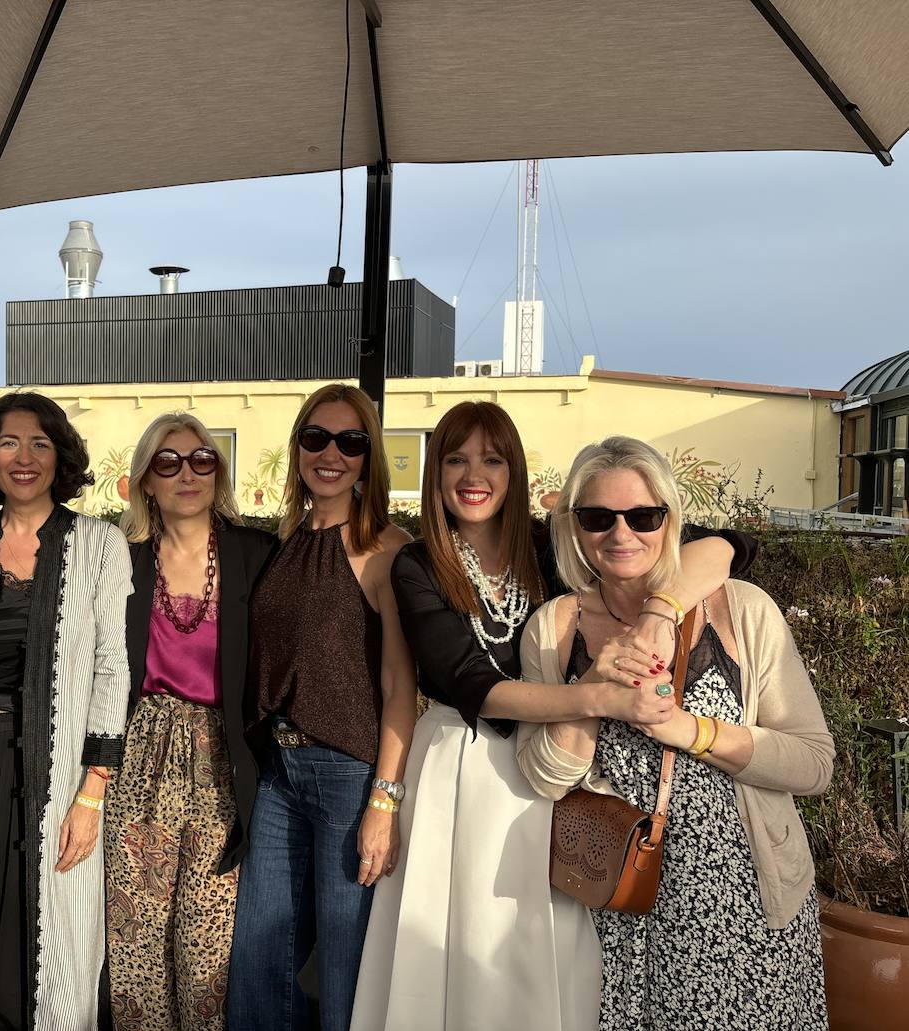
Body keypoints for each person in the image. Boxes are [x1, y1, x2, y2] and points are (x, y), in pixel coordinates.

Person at [350, 402, 757, 1030]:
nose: (473, 474)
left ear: (514, 469)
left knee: (539, 942)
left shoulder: (551, 544)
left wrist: (659, 610)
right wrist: (599, 696)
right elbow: (473, 685)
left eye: (492, 458)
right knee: (451, 940)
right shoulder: (419, 564)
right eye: (456, 459)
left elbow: (727, 546)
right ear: (436, 473)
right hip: (456, 764)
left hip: (551, 765)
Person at [517, 435, 831, 1031]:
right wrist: (594, 689)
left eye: (643, 516)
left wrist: (688, 730)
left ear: (670, 520)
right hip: (614, 904)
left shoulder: (739, 610)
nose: (621, 534)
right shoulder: (555, 627)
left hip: (742, 904)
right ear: (574, 528)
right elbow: (544, 778)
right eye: (597, 518)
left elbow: (814, 763)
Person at [0, 391, 131, 1030]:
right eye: (9, 443)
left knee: (50, 936)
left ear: (62, 457)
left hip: (53, 770)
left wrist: (91, 791)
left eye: (40, 443)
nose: (24, 458)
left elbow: (111, 667)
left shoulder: (99, 545)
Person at [226, 384, 417, 1031]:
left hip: (349, 777)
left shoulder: (386, 549)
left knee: (345, 980)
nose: (330, 453)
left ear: (369, 457)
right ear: (298, 447)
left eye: (350, 441)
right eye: (316, 437)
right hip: (280, 773)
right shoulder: (288, 538)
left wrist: (383, 803)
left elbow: (400, 687)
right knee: (255, 964)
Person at [105, 413, 276, 1031]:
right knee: (135, 943)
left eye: (202, 459)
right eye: (168, 462)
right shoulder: (118, 562)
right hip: (139, 759)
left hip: (224, 763)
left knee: (210, 949)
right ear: (145, 479)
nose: (187, 473)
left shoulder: (256, 554)